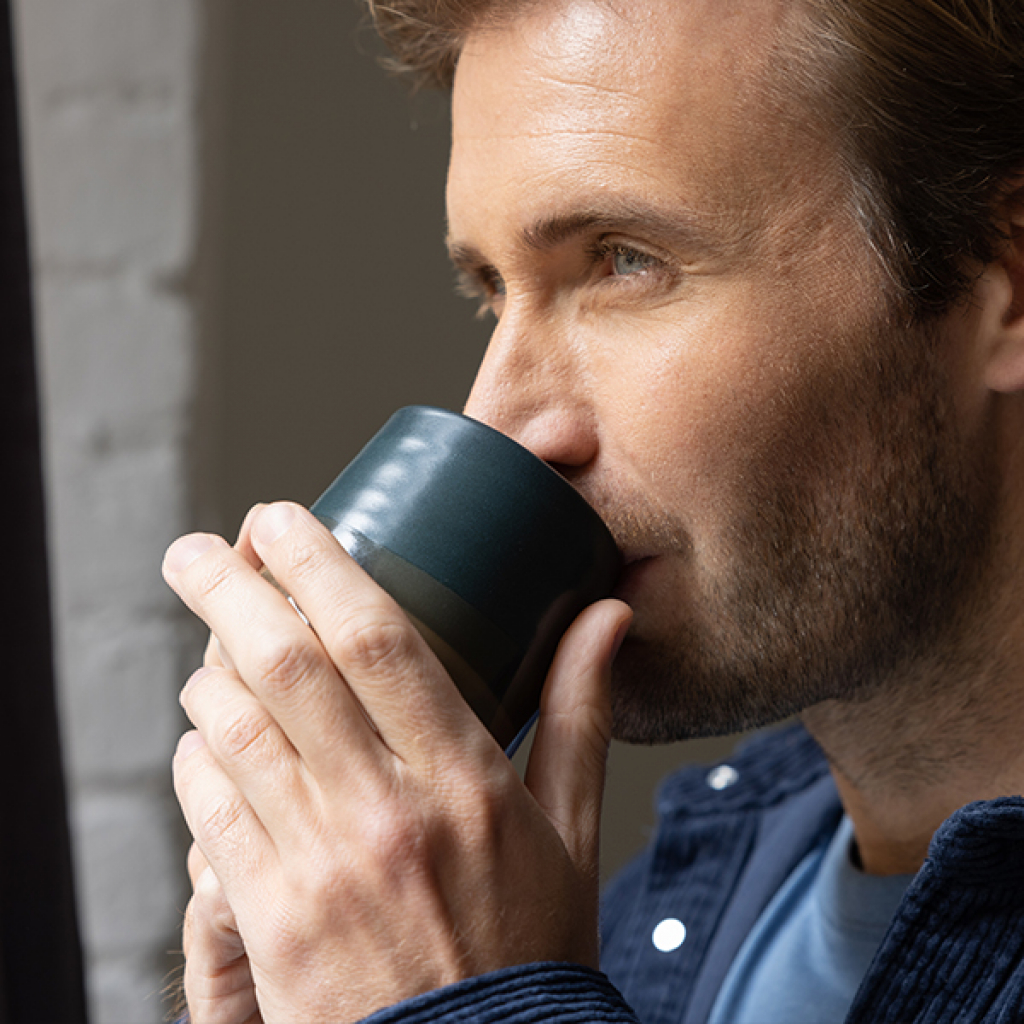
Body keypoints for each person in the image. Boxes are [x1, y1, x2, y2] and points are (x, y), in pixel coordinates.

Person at [162, 0, 1024, 1020]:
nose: (502, 422)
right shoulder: (676, 906)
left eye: (624, 261)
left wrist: (459, 1006)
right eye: (493, 288)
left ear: (1005, 286)